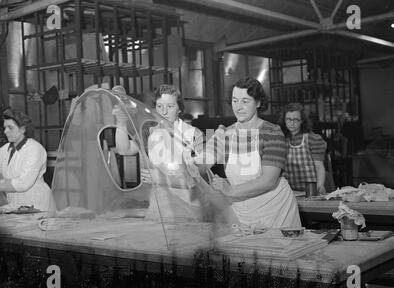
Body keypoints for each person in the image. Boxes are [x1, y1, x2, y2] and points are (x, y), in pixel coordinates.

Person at [188, 77, 301, 229]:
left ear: (259, 103)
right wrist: (192, 165)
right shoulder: (223, 133)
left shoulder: (272, 132)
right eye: (235, 101)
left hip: (277, 211)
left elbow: (269, 180)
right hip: (242, 212)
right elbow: (205, 158)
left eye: (245, 101)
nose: (238, 107)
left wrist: (230, 190)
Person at [112, 84, 205, 218]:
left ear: (180, 109)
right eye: (160, 106)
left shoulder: (194, 135)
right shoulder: (149, 132)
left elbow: (197, 179)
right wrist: (121, 122)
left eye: (170, 106)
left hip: (188, 211)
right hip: (160, 210)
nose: (164, 112)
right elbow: (124, 149)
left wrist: (160, 178)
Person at [0, 109, 55, 212]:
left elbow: (23, 183)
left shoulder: (34, 149)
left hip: (37, 205)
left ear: (22, 129)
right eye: (5, 128)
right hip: (15, 205)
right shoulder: (4, 150)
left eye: (10, 128)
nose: (5, 131)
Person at [279, 103, 327, 194]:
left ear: (302, 120)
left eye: (295, 119)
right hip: (289, 191)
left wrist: (320, 187)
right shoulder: (281, 140)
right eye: (288, 119)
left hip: (311, 191)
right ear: (284, 120)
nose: (292, 123)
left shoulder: (313, 139)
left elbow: (319, 167)